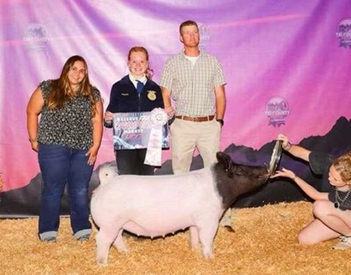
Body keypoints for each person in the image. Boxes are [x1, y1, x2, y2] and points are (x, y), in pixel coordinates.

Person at [159, 20, 233, 231]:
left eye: (195, 32)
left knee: (215, 170)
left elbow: (220, 93)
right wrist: (168, 109)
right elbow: (165, 91)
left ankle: (223, 217)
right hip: (183, 124)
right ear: (181, 38)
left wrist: (219, 120)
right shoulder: (173, 63)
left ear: (199, 35)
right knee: (180, 171)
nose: (192, 36)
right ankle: (181, 219)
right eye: (187, 33)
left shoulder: (212, 62)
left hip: (208, 123)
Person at [26, 55, 103, 242]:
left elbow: (97, 121)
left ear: (86, 74)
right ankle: (47, 230)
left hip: (82, 149)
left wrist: (95, 146)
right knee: (53, 189)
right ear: (66, 69)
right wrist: (33, 139)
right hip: (53, 147)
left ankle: (81, 228)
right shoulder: (48, 88)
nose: (78, 73)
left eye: (82, 70)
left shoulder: (92, 94)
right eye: (74, 69)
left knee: (79, 189)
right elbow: (31, 111)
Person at [272, 134, 351, 249]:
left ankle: (349, 235)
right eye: (330, 173)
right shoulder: (331, 163)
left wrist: (294, 178)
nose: (329, 178)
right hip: (341, 217)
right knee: (305, 238)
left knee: (320, 206)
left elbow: (316, 196)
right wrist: (288, 147)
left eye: (335, 179)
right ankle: (344, 231)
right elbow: (304, 154)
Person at [104, 46, 164, 175]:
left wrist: (168, 116)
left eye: (142, 61)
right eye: (134, 61)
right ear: (128, 63)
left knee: (147, 181)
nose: (138, 65)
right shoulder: (118, 87)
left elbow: (161, 115)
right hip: (125, 144)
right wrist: (108, 119)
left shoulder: (156, 88)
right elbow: (111, 112)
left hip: (149, 144)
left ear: (147, 64)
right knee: (127, 180)